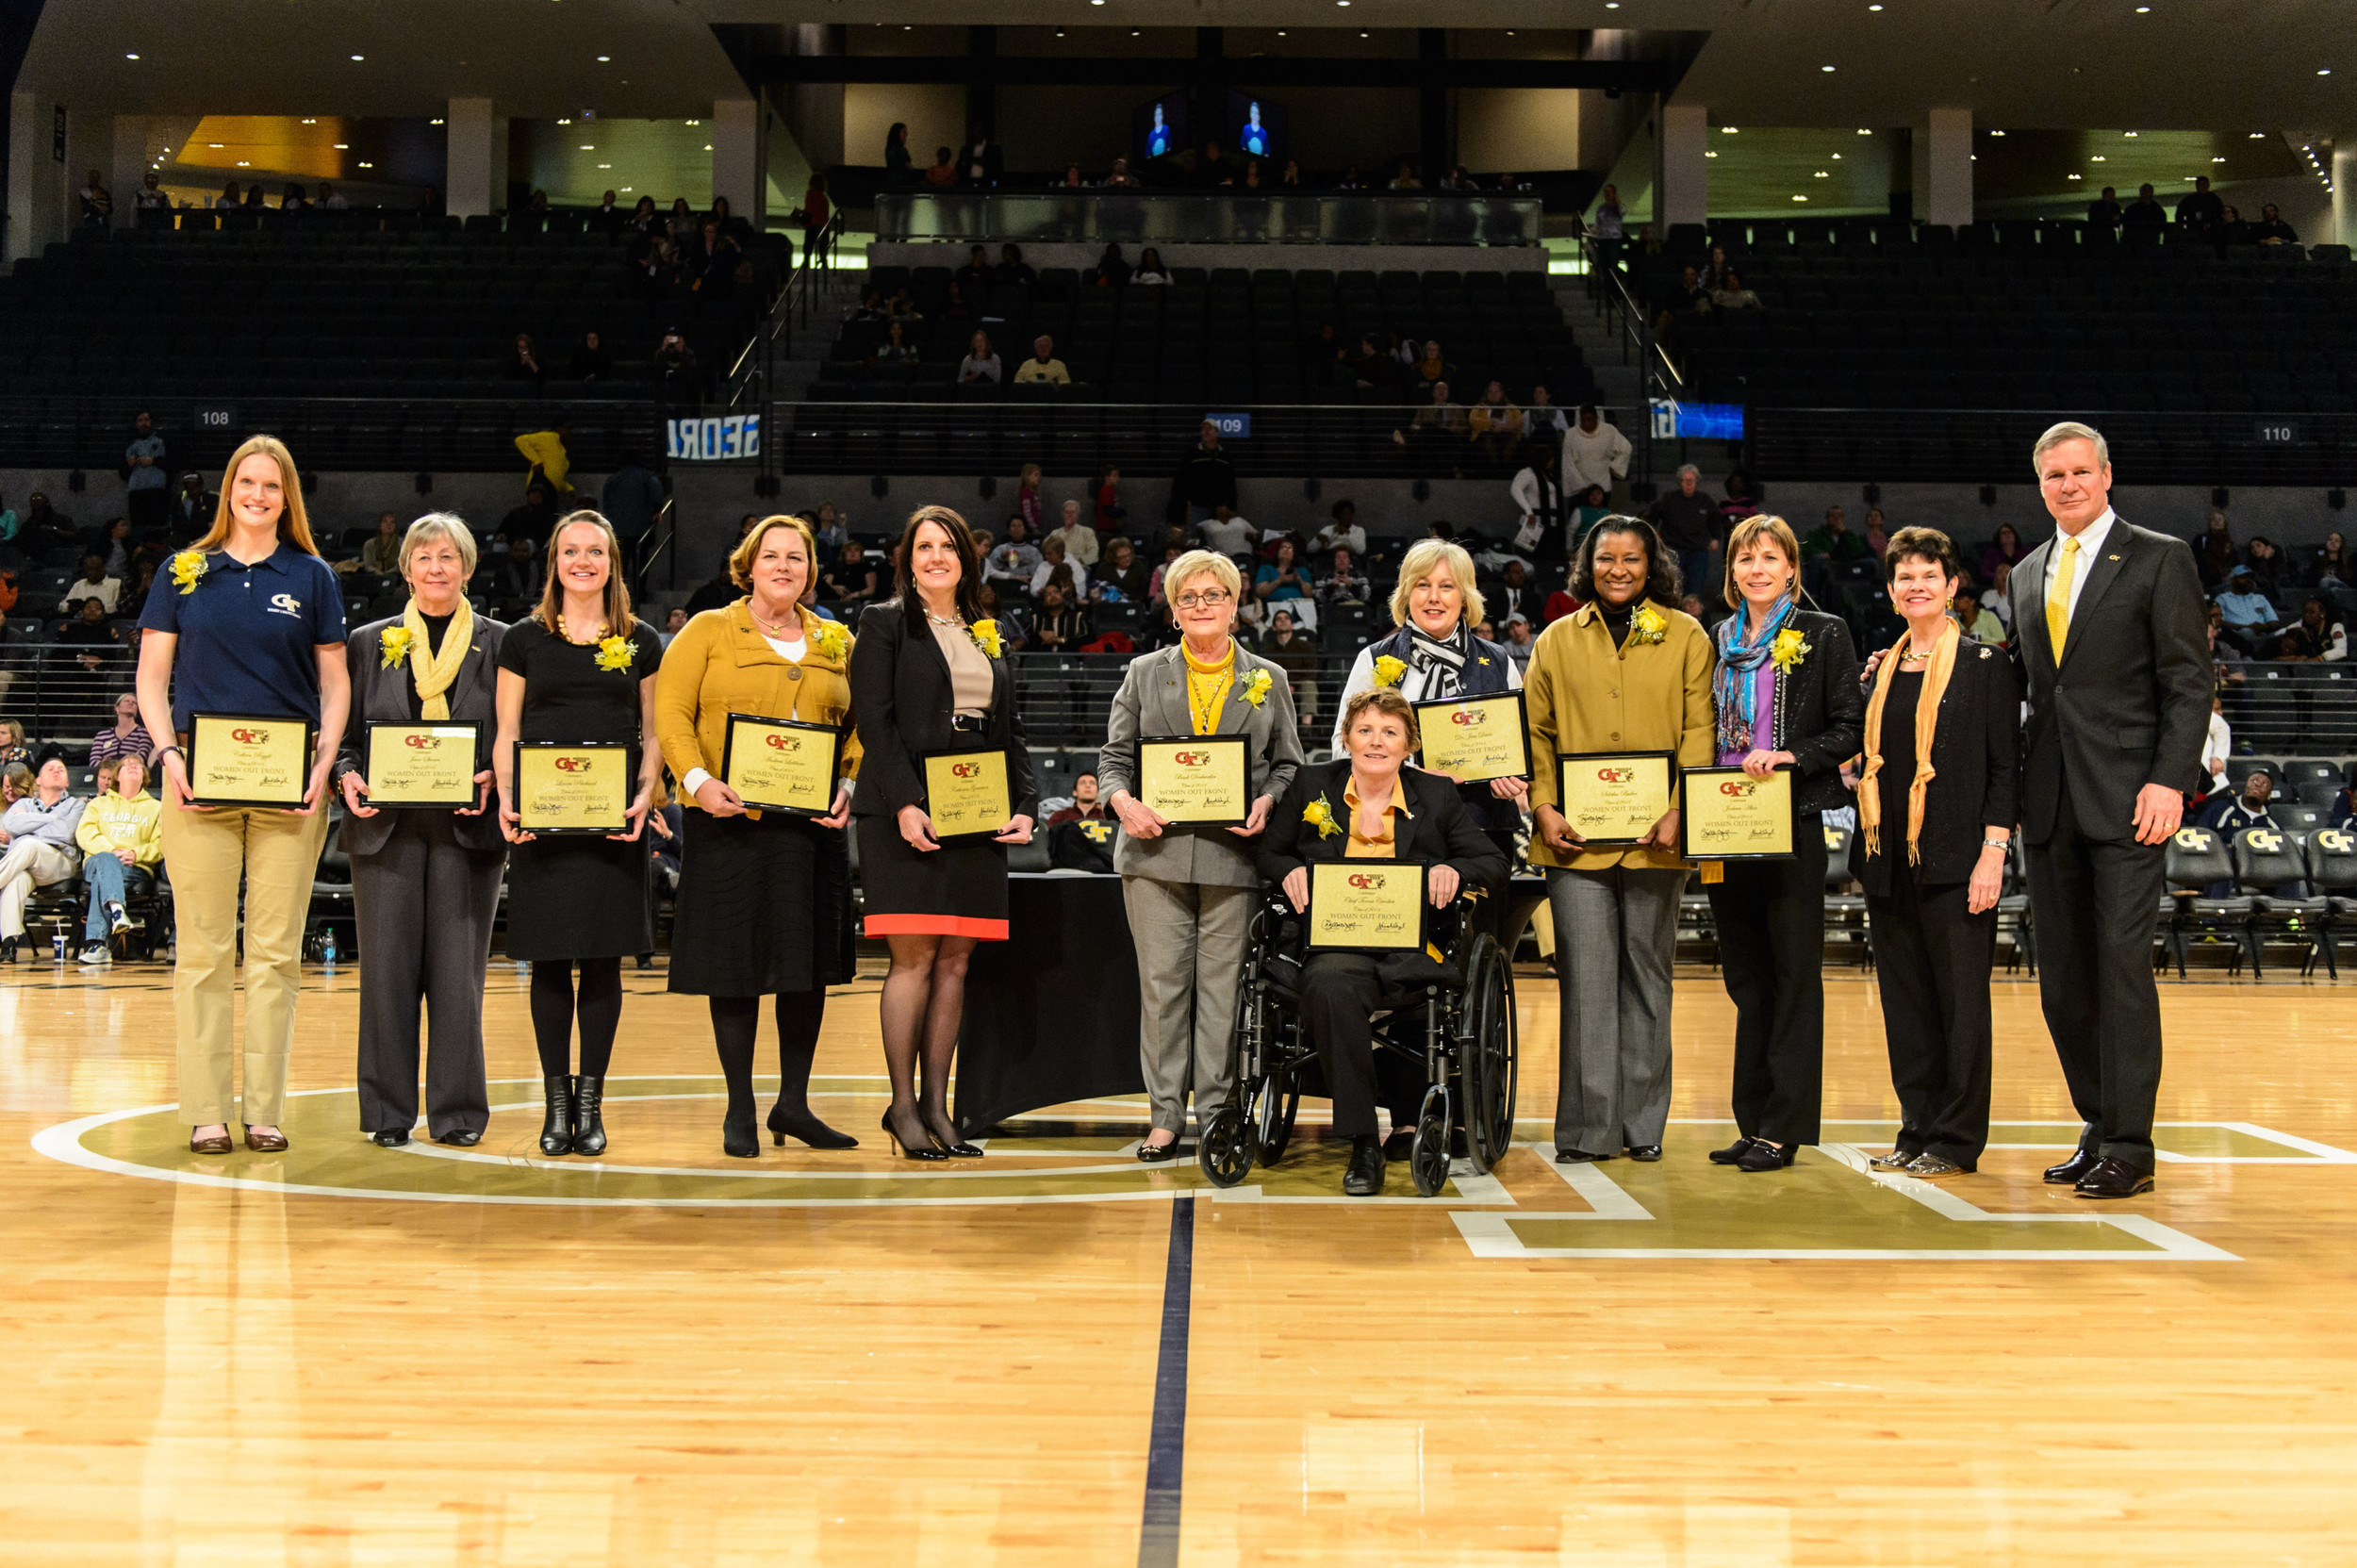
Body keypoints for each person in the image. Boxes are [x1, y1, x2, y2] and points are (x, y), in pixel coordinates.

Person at [134, 436, 350, 1155]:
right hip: (198, 780)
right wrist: (168, 754)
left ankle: (263, 1108)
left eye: (272, 485)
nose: (258, 495)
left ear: (288, 497)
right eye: (247, 482)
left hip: (291, 787)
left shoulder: (313, 575)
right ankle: (205, 1110)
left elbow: (337, 683)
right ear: (228, 489)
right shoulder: (184, 571)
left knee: (275, 953)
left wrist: (322, 764)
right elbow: (150, 678)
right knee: (200, 951)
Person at [2012, 422, 2209, 1200]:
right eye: (2053, 475)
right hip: (2051, 799)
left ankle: (2132, 1141)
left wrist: (2170, 779)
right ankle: (2098, 1124)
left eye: (2079, 471)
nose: (2067, 484)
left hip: (2133, 800)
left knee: (2122, 971)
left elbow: (2190, 681)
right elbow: (2034, 686)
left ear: (2106, 475)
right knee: (2063, 978)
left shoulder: (2159, 556)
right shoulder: (2028, 571)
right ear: (2040, 485)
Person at [657, 514, 862, 1158]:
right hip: (730, 824)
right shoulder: (708, 630)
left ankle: (793, 1102)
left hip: (811, 830)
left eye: (796, 557)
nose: (784, 566)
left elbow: (859, 728)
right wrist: (695, 781)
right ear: (748, 565)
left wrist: (849, 787)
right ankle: (740, 1106)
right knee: (736, 968)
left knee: (807, 970)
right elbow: (671, 712)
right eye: (771, 556)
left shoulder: (836, 639)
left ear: (810, 569)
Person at [1258, 688, 1507, 1194]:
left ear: (1408, 745)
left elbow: (1495, 864)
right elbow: (1269, 853)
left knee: (1415, 989)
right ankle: (1364, 1141)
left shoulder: (1435, 794)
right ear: (1346, 737)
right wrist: (1290, 873)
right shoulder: (1311, 784)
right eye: (1365, 730)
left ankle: (1413, 1115)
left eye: (1390, 732)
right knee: (1328, 987)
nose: (1376, 742)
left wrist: (1450, 869)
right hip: (1334, 941)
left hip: (1409, 942)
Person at [1099, 550, 1303, 1162]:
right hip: (1152, 855)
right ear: (1173, 608)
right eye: (1188, 596)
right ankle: (1165, 1118)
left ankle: (1216, 1115)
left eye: (1213, 595)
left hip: (1234, 858)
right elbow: (1112, 761)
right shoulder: (1142, 672)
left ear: (1235, 605)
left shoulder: (1270, 675)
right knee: (1163, 991)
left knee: (1223, 995)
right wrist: (1122, 802)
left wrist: (1268, 800)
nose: (1201, 606)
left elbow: (1290, 764)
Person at [847, 506, 1037, 1161]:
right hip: (907, 809)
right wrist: (905, 801)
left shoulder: (990, 631)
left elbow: (1010, 728)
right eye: (922, 546)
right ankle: (901, 1104)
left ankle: (937, 1104)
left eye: (947, 545)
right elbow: (875, 721)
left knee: (956, 961)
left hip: (976, 805)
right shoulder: (882, 623)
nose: (935, 556)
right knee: (915, 959)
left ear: (966, 557)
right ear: (906, 558)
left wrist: (1027, 802)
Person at [1525, 516, 1712, 1164]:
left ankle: (1642, 1126)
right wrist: (1543, 805)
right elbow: (1537, 733)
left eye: (1632, 558)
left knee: (1648, 977)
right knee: (1586, 980)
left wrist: (1680, 807)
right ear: (1588, 562)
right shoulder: (1553, 640)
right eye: (1607, 558)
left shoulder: (1686, 635)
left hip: (1658, 838)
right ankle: (1587, 1128)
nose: (1619, 569)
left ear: (1651, 564)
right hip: (1574, 842)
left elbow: (1698, 729)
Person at [492, 511, 667, 1159]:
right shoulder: (523, 639)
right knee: (547, 961)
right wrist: (509, 799)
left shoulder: (643, 640)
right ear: (555, 562)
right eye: (572, 550)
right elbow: (508, 729)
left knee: (601, 962)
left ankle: (591, 1105)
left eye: (596, 550)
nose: (583, 561)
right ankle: (555, 1102)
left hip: (612, 825)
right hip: (543, 824)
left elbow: (652, 732)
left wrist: (647, 791)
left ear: (612, 561)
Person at [1853, 527, 2023, 1176]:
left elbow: (2007, 768)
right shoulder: (1882, 669)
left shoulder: (1986, 665)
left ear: (1953, 586)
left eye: (1929, 573)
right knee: (1907, 1005)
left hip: (1959, 861)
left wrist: (1993, 853)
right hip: (1889, 861)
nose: (1916, 584)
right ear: (1892, 590)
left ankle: (1955, 1139)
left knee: (1960, 1006)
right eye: (1904, 575)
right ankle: (1916, 1128)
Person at [333, 514, 507, 1147]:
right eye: (424, 556)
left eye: (448, 556)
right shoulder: (367, 642)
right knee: (386, 976)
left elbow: (515, 737)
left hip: (470, 827)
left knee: (460, 977)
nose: (436, 567)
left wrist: (495, 773)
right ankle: (387, 1113)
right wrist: (347, 776)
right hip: (385, 829)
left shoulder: (502, 643)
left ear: (467, 566)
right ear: (405, 568)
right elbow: (344, 739)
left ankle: (459, 1113)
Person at [1701, 515, 1863, 1173]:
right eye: (1746, 558)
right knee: (1747, 978)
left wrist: (1793, 753)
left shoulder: (1823, 633)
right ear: (1732, 570)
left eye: (1771, 557)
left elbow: (1849, 727)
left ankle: (1785, 1125)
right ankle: (1752, 1119)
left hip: (1791, 818)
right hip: (1723, 821)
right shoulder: (1718, 637)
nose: (1758, 568)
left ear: (1792, 567)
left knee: (1794, 975)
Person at [1329, 536, 1526, 863]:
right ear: (1407, 594)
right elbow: (1342, 746)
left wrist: (1509, 777)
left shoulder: (1499, 660)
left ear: (1465, 597)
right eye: (1422, 585)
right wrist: (1411, 774)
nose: (1433, 598)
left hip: (1482, 832)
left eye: (1447, 586)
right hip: (1391, 829)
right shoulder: (1374, 658)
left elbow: (1517, 752)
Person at [71, 751, 159, 964]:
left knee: (103, 879)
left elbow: (161, 843)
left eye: (137, 765)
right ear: (117, 776)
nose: (132, 766)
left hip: (134, 867)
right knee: (105, 861)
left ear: (145, 775)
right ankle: (117, 911)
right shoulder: (98, 804)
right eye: (126, 765)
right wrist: (111, 851)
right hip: (96, 861)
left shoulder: (156, 808)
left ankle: (98, 944)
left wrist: (136, 853)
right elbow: (84, 834)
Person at [0, 753, 85, 960]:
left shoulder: (76, 805)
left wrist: (29, 829)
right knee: (17, 881)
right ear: (38, 780)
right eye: (50, 769)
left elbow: (66, 832)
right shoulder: (25, 803)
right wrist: (51, 819)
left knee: (28, 843)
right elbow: (11, 825)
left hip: (61, 863)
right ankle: (8, 945)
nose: (56, 771)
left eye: (61, 770)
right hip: (29, 865)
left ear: (67, 781)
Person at [1649, 463, 1722, 598]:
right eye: (1685, 480)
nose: (1688, 484)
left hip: (1699, 551)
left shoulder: (1705, 500)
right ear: (1679, 482)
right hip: (1674, 550)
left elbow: (1716, 521)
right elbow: (1652, 516)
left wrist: (1715, 539)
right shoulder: (1668, 499)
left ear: (1696, 482)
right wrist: (1655, 535)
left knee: (1696, 589)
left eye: (1691, 480)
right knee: (1672, 588)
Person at [1561, 405, 1631, 503]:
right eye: (1583, 420)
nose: (1586, 423)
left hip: (1603, 487)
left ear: (1596, 418)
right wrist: (1580, 486)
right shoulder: (1570, 435)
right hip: (1579, 490)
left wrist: (1614, 467)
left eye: (1590, 420)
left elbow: (1626, 448)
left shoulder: (1609, 430)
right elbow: (1568, 463)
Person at [1176, 421, 1239, 524]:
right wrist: (1182, 502)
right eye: (1203, 429)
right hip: (1196, 507)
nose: (1206, 432)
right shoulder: (1192, 454)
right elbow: (1180, 479)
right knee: (1195, 536)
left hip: (1220, 508)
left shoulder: (1224, 456)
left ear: (1217, 433)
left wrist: (1231, 506)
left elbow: (1231, 483)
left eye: (1210, 429)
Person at [124, 411, 169, 534]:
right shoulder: (129, 442)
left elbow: (174, 462)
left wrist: (153, 461)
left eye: (146, 420)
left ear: (152, 422)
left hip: (157, 492)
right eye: (140, 420)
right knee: (138, 528)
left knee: (157, 528)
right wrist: (129, 464)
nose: (143, 423)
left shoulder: (163, 440)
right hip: (136, 493)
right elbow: (122, 471)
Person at [90, 691, 155, 767]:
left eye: (134, 703)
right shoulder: (102, 735)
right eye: (126, 701)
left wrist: (110, 763)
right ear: (117, 708)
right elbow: (94, 761)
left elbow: (141, 757)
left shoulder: (143, 732)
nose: (130, 703)